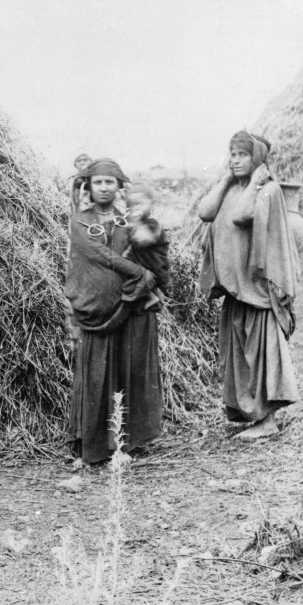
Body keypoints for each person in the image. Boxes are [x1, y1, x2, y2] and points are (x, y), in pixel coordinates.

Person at [197, 131, 300, 439]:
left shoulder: (266, 190)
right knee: (240, 355)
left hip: (256, 289)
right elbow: (205, 212)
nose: (234, 159)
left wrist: (255, 181)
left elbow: (242, 216)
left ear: (257, 159)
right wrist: (228, 179)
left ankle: (267, 422)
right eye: (232, 153)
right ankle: (254, 416)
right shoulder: (231, 189)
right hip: (234, 290)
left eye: (241, 154)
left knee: (260, 352)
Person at [64, 159, 166, 465]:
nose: (104, 188)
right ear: (89, 187)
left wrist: (147, 278)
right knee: (97, 376)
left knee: (125, 374)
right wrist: (139, 273)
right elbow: (99, 254)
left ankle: (123, 446)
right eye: (98, 182)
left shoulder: (128, 223)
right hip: (96, 312)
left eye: (110, 182)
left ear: (119, 186)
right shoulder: (79, 222)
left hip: (128, 310)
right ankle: (95, 445)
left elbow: (153, 255)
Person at [124, 181, 170, 312]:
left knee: (126, 268)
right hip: (148, 267)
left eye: (140, 203)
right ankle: (152, 295)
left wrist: (135, 221)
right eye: (132, 204)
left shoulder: (153, 224)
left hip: (156, 267)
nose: (136, 207)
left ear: (151, 204)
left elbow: (144, 240)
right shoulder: (141, 224)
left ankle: (151, 297)